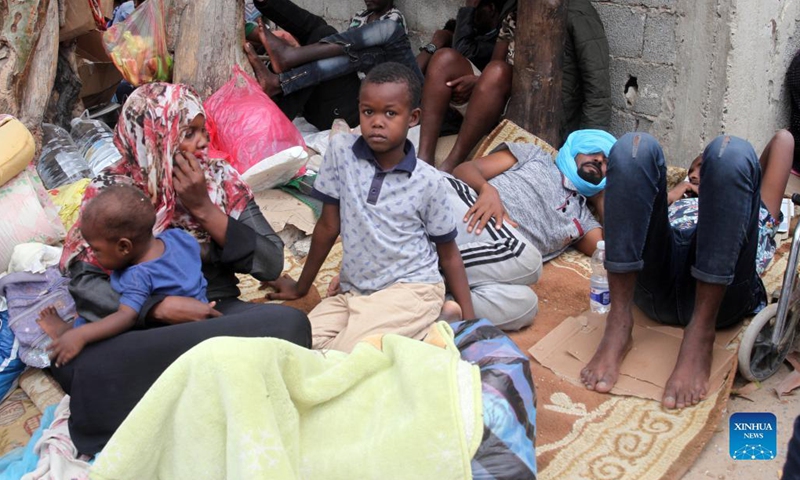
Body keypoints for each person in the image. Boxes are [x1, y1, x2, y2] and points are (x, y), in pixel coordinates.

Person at [52, 83, 311, 455]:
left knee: (289, 325)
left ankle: (169, 400)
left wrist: (204, 208)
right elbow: (85, 283)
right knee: (84, 362)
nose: (204, 143)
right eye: (188, 133)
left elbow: (271, 260)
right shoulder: (112, 191)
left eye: (203, 131)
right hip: (138, 324)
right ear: (155, 135)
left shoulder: (219, 181)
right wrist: (155, 308)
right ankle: (210, 390)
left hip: (213, 312)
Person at [266, 62, 475, 352]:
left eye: (390, 113)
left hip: (410, 290)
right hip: (354, 291)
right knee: (298, 345)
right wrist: (301, 287)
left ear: (413, 118)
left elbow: (448, 254)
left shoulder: (428, 181)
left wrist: (471, 320)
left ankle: (436, 325)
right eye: (368, 112)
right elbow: (328, 226)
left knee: (340, 359)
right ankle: (424, 331)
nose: (377, 121)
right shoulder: (341, 152)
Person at [581, 130, 793, 410]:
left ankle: (700, 334)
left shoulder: (754, 206)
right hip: (657, 285)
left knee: (731, 151)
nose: (702, 175)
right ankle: (619, 323)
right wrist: (675, 193)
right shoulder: (674, 202)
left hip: (721, 297)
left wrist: (728, 170)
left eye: (711, 172)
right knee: (635, 147)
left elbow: (783, 139)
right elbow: (629, 210)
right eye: (696, 171)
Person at [439, 129, 615, 330]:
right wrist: (487, 189)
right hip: (466, 211)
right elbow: (464, 170)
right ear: (575, 149)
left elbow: (609, 252)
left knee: (525, 306)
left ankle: (438, 304)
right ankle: (430, 269)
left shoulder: (582, 216)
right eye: (594, 152)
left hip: (494, 254)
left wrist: (603, 196)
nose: (600, 161)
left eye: (607, 163)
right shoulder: (536, 156)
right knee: (531, 262)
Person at [420, 0, 611, 172]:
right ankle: (424, 160)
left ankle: (451, 165)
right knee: (444, 59)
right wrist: (480, 81)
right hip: (500, 101)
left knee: (497, 72)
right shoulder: (515, 8)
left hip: (541, 115)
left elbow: (597, 91)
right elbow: (496, 64)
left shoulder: (578, 13)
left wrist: (589, 148)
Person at [246, 0, 421, 130]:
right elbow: (349, 52)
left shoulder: (393, 20)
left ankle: (284, 77)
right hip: (329, 100)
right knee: (322, 32)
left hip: (350, 109)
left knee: (326, 33)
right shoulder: (361, 16)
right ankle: (283, 73)